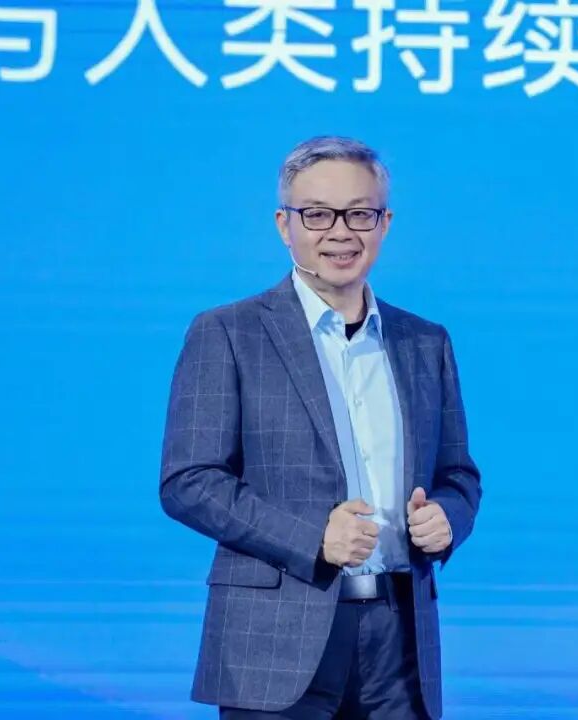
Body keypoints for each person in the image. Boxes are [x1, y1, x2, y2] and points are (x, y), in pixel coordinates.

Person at [159, 135, 482, 720]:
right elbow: (189, 481)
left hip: (400, 641)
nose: (340, 232)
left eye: (359, 214)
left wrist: (447, 518)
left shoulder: (424, 342)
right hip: (274, 639)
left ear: (384, 224)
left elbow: (458, 475)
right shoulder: (229, 333)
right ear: (284, 225)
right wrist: (314, 537)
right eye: (317, 214)